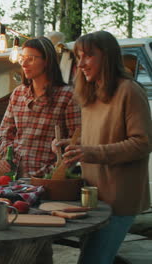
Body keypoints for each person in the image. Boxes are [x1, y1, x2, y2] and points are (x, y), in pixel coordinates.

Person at [54, 31, 151, 264]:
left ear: (106, 56)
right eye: (78, 56)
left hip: (118, 198)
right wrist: (72, 144)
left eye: (88, 56)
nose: (81, 63)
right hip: (92, 197)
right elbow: (99, 139)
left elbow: (142, 143)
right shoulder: (91, 94)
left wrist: (89, 152)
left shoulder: (129, 90)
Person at [0, 36, 81, 178]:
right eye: (22, 58)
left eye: (30, 58)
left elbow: (77, 139)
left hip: (50, 179)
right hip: (17, 179)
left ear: (47, 61)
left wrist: (59, 167)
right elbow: (6, 131)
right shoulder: (18, 93)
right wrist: (7, 156)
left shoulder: (67, 96)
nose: (24, 63)